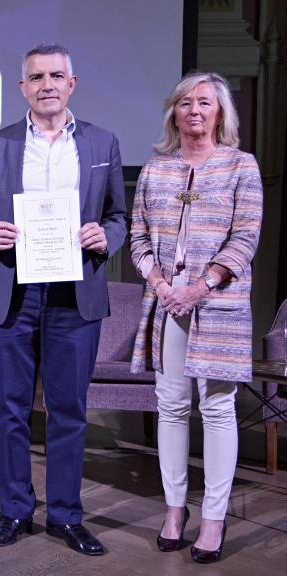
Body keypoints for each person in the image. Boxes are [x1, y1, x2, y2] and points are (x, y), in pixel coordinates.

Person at [0, 43, 127, 556]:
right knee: (10, 409)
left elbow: (118, 217)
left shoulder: (102, 142)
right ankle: (14, 510)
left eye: (56, 75)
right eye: (36, 77)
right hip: (13, 291)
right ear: (23, 88)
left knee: (68, 410)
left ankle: (65, 515)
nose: (47, 85)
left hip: (74, 295)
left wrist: (107, 237)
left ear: (72, 83)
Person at [129, 71, 262, 564]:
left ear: (220, 112)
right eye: (185, 103)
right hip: (168, 302)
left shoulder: (240, 166)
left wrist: (201, 286)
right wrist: (163, 285)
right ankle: (174, 511)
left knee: (218, 408)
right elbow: (138, 237)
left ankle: (213, 518)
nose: (194, 111)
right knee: (171, 406)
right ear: (174, 112)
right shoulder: (155, 169)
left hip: (219, 303)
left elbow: (245, 237)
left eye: (204, 102)